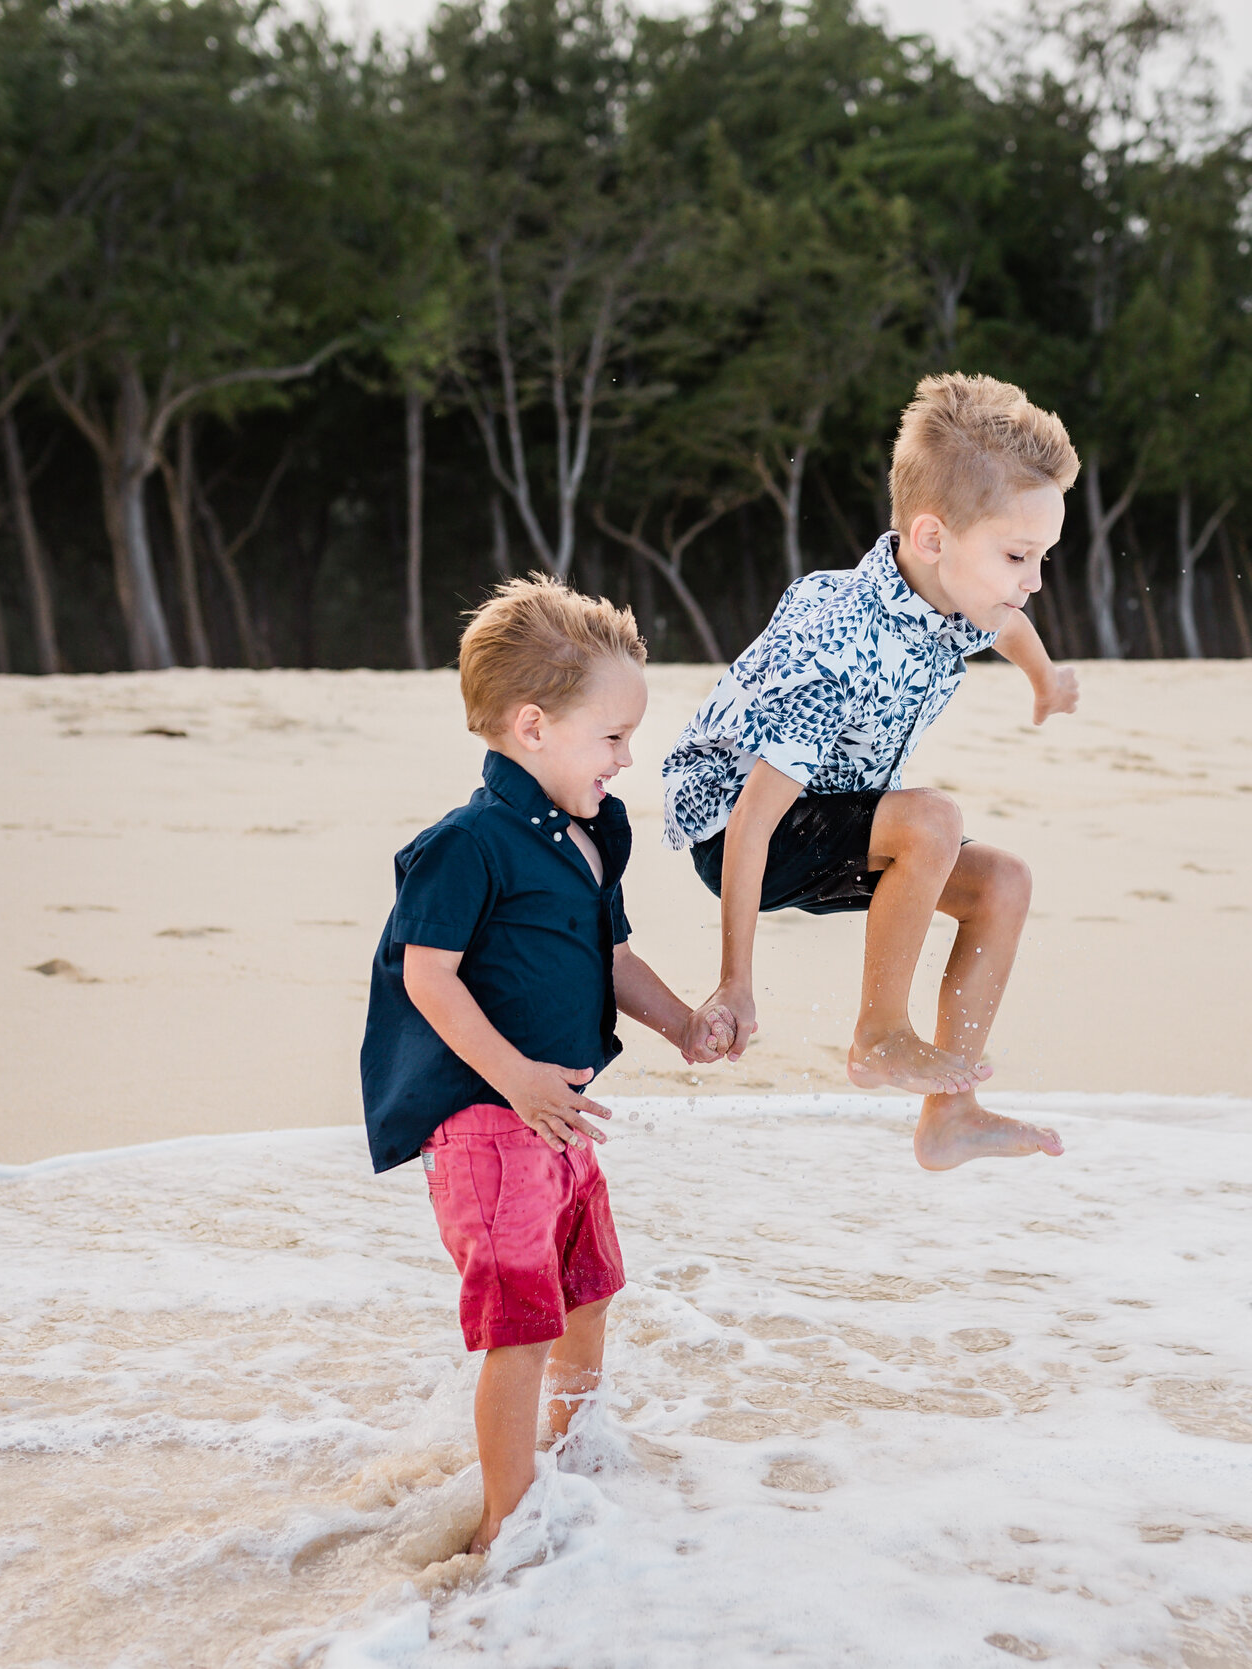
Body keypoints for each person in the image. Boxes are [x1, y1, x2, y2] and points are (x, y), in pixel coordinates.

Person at [359, 575, 729, 1556]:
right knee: (519, 1319)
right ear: (532, 727)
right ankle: (506, 1521)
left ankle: (570, 1451)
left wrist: (683, 1023)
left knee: (589, 1286)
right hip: (485, 1123)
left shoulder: (591, 837)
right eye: (611, 736)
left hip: (556, 1119)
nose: (626, 755)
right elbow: (426, 977)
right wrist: (515, 1076)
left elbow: (608, 958)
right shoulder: (466, 846)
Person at [659, 371, 1080, 1170]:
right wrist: (735, 981)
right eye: (1020, 555)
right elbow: (750, 821)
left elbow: (1008, 624)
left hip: (832, 811)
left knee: (1003, 884)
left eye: (1043, 556)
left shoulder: (955, 593)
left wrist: (1045, 680)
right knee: (932, 819)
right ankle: (878, 1034)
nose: (1031, 579)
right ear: (931, 537)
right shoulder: (842, 641)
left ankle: (950, 1118)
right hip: (737, 829)